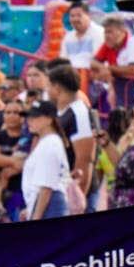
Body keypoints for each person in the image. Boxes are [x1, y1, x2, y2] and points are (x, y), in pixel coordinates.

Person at [46, 65, 97, 197]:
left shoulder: (79, 113)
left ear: (57, 88)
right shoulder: (59, 112)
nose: (46, 91)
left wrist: (77, 196)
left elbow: (85, 159)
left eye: (48, 86)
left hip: (72, 194)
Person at [20, 100, 72, 221]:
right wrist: (30, 210)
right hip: (46, 202)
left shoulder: (50, 143)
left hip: (51, 203)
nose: (29, 120)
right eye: (29, 117)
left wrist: (36, 217)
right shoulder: (47, 141)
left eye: (35, 117)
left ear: (49, 119)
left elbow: (46, 187)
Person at [91, 15, 134, 111]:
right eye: (105, 32)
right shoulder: (108, 45)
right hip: (120, 97)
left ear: (122, 32)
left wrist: (108, 68)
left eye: (110, 32)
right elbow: (93, 62)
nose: (107, 36)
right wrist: (102, 68)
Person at [60, 2, 103, 72]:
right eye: (72, 16)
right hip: (72, 75)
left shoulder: (99, 33)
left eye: (79, 15)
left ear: (88, 15)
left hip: (93, 74)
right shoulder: (68, 37)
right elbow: (63, 61)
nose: (75, 19)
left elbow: (99, 62)